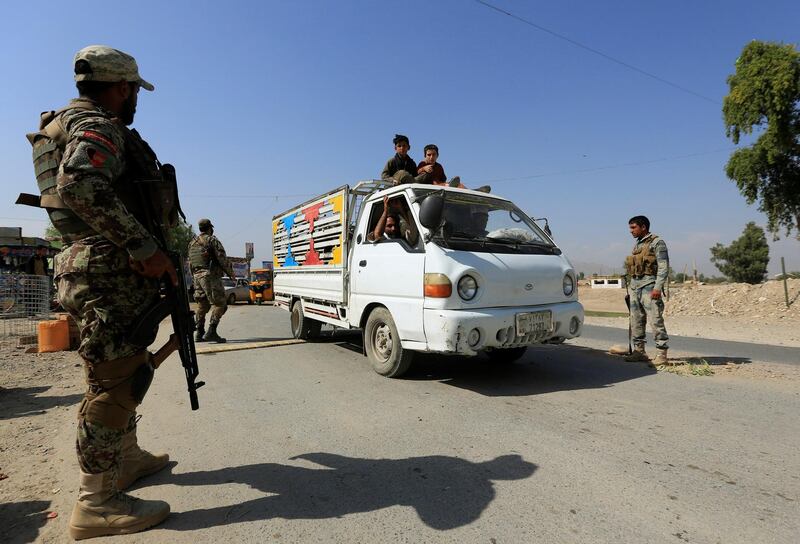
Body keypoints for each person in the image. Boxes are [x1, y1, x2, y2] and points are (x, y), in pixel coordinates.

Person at [27, 45, 175, 539]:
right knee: (117, 383)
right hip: (108, 268)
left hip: (88, 266)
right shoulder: (99, 124)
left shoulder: (64, 123)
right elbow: (81, 183)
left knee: (117, 369)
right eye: (133, 89)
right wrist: (143, 246)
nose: (135, 98)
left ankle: (125, 459)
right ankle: (97, 502)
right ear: (120, 87)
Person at [624, 215, 670, 365]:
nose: (630, 231)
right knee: (636, 319)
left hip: (650, 286)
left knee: (655, 319)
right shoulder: (637, 245)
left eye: (633, 227)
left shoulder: (657, 243)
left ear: (643, 227)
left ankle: (661, 354)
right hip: (635, 286)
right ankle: (639, 351)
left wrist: (657, 287)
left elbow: (663, 267)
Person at [188, 218, 236, 343]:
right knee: (221, 304)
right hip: (209, 277)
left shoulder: (192, 243)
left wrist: (194, 278)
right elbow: (221, 258)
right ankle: (211, 331)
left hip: (197, 277)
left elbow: (190, 263)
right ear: (210, 228)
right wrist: (231, 273)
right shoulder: (212, 240)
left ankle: (199, 333)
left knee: (202, 305)